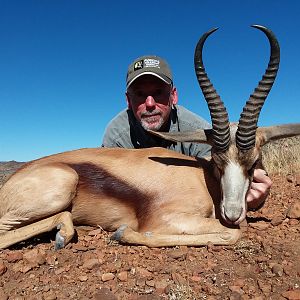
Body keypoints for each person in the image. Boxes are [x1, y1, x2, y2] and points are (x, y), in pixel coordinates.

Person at [102, 55, 272, 210]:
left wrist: (251, 196)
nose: (150, 103)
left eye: (159, 92)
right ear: (128, 101)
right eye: (139, 94)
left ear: (173, 96)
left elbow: (221, 180)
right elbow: (107, 190)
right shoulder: (117, 135)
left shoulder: (196, 129)